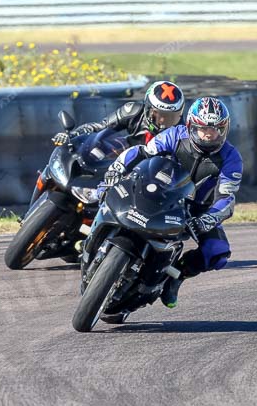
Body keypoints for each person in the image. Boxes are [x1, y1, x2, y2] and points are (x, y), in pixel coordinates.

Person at [101, 96, 242, 308]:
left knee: (217, 252)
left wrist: (206, 220)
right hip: (158, 189)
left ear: (225, 129)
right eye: (202, 128)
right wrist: (116, 171)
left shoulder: (232, 158)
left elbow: (226, 198)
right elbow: (141, 153)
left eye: (215, 129)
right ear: (190, 125)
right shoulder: (175, 135)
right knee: (104, 193)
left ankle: (176, 277)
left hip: (195, 209)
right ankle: (95, 235)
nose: (208, 134)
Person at [52, 81, 185, 147]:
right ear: (148, 108)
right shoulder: (132, 110)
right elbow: (99, 127)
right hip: (125, 166)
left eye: (170, 117)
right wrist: (73, 135)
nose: (163, 121)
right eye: (158, 114)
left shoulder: (183, 132)